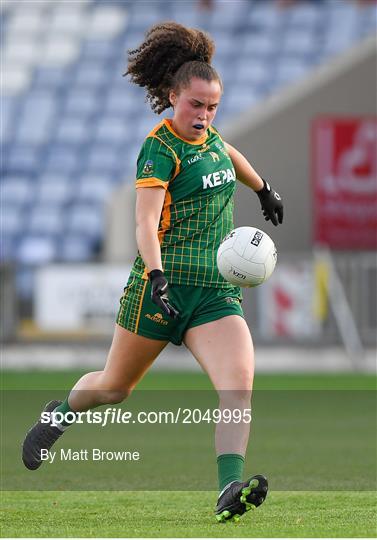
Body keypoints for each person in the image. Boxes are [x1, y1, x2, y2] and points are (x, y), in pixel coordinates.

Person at [22, 21, 283, 523]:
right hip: (159, 288)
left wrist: (262, 186)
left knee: (238, 384)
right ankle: (59, 414)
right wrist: (158, 276)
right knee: (115, 388)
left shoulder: (210, 137)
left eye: (212, 107)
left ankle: (229, 486)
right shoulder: (159, 149)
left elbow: (228, 152)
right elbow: (144, 220)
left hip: (213, 292)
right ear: (172, 96)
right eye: (195, 106)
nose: (204, 116)